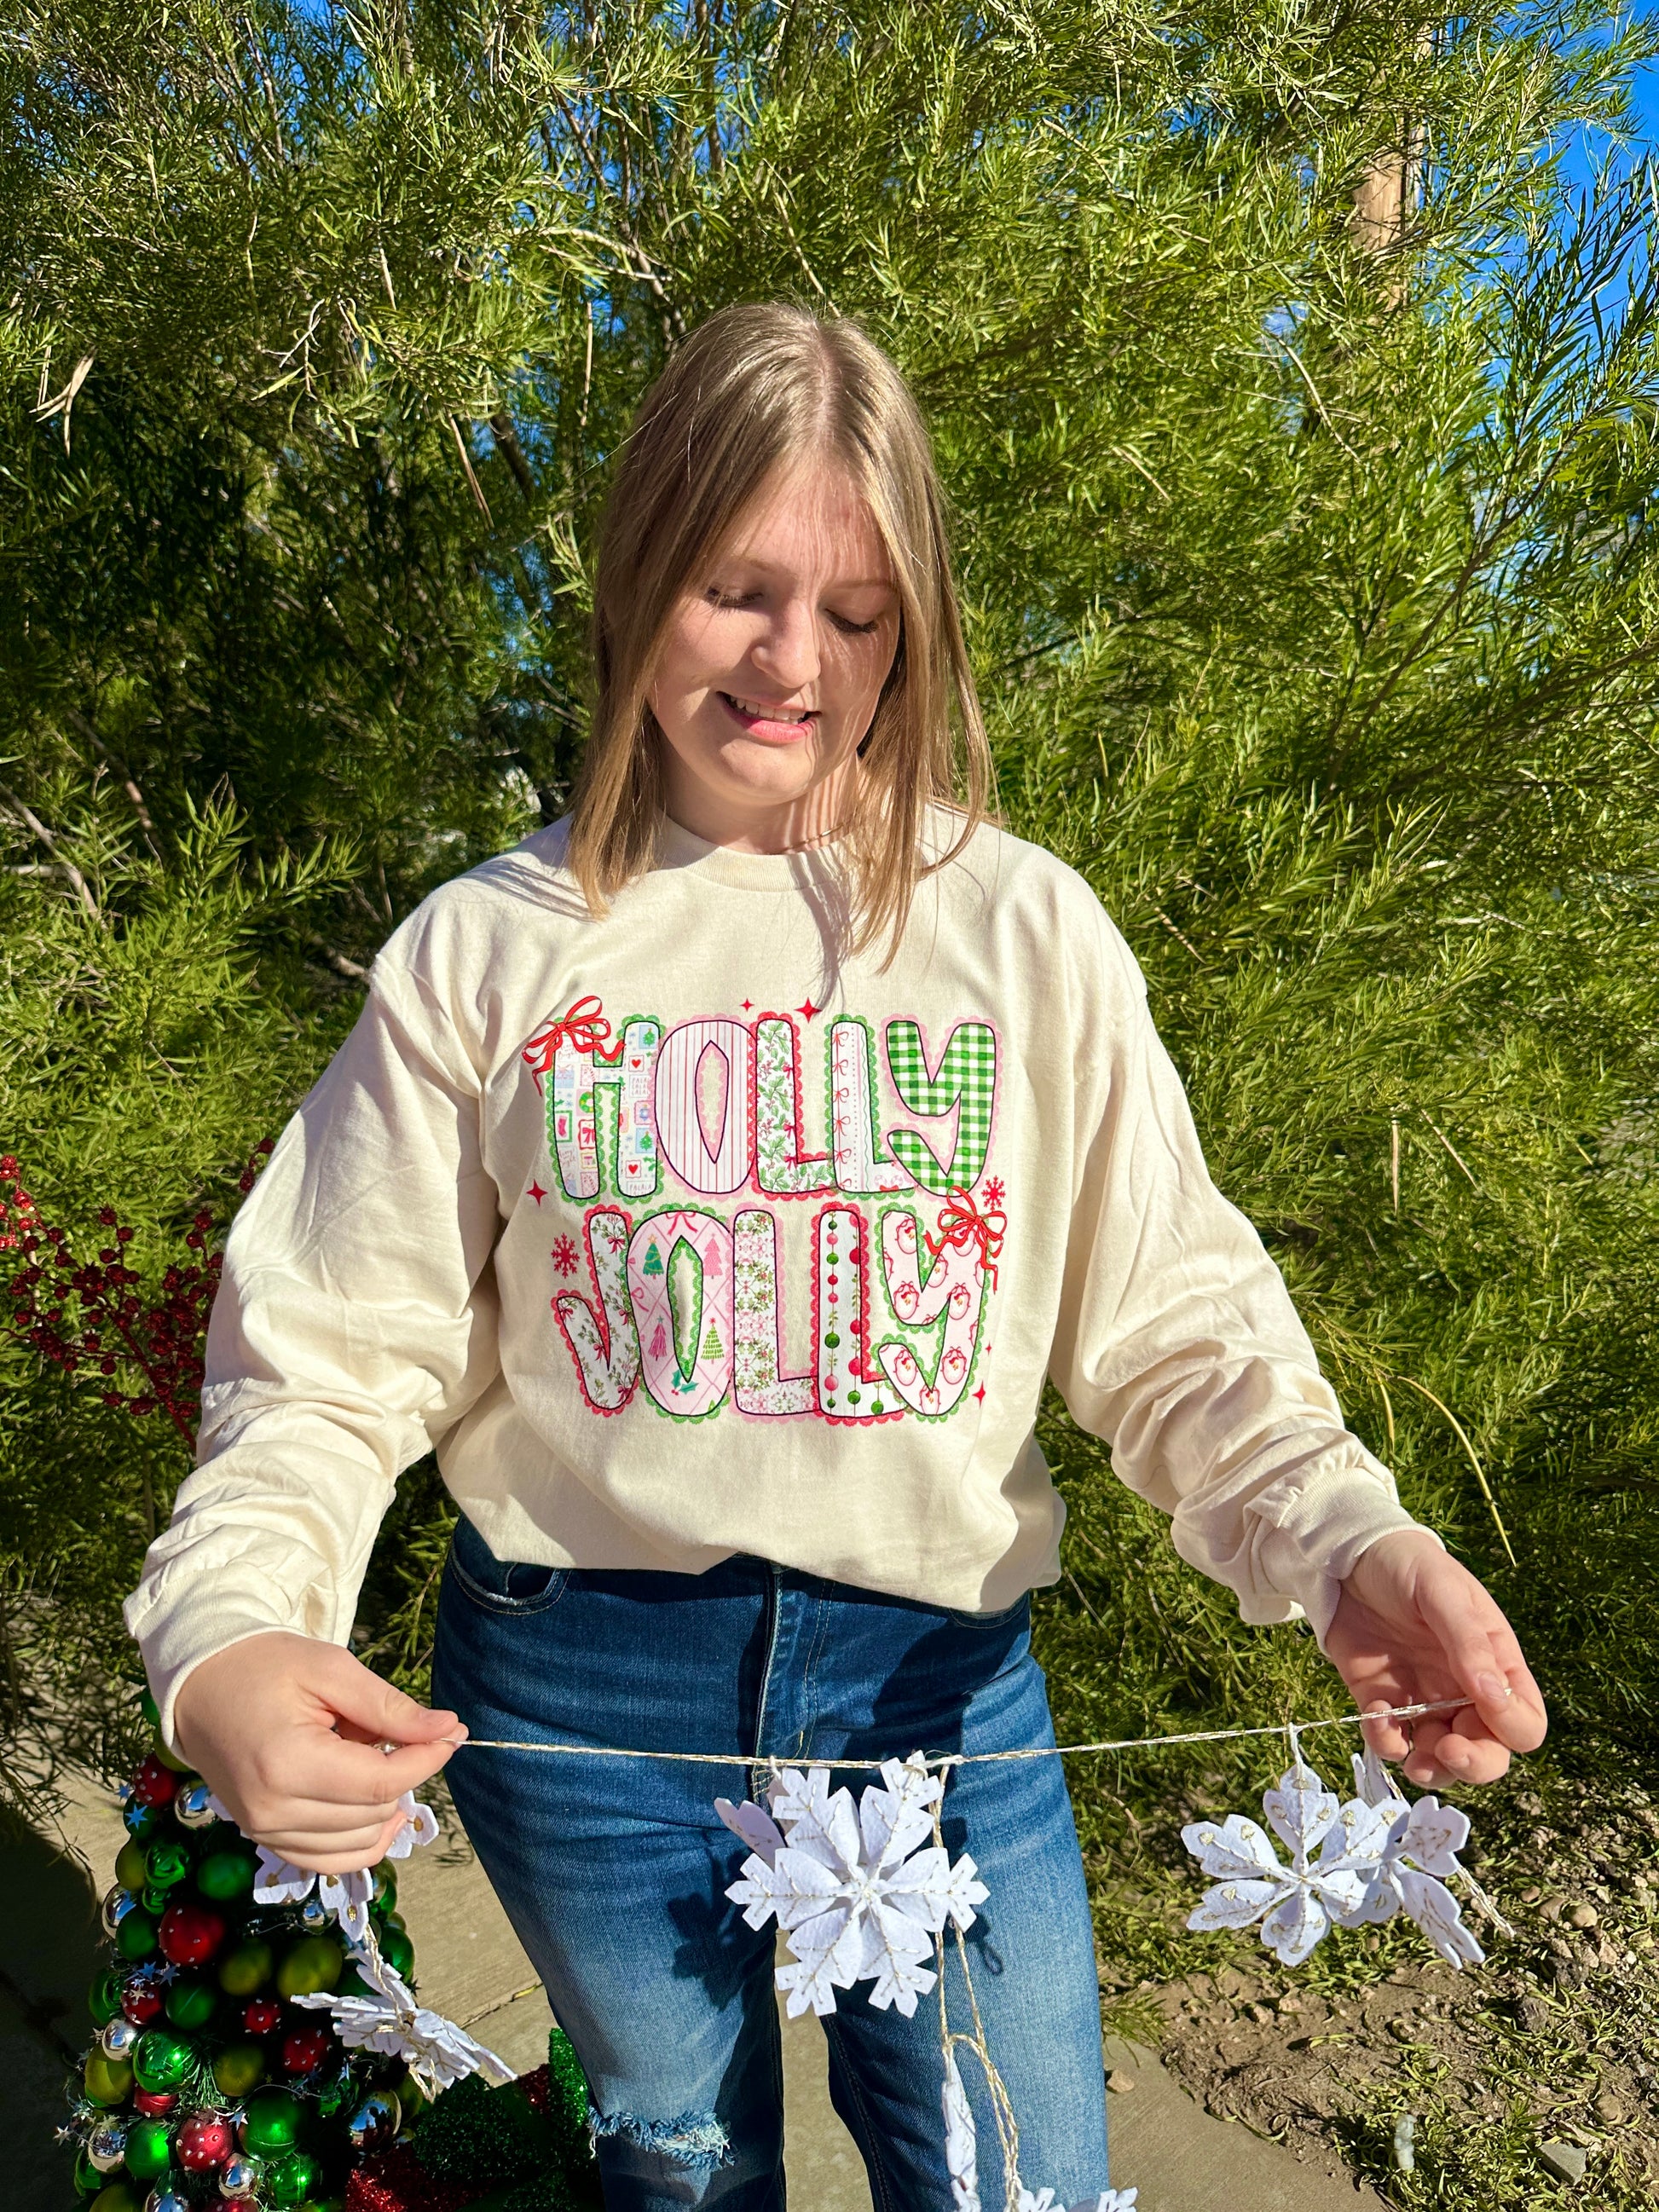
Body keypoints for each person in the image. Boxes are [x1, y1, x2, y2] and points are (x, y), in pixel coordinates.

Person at [126, 302, 1546, 2211]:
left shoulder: (1027, 934)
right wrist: (229, 1625)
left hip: (936, 1689)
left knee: (1017, 2175)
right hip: (579, 1693)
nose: (794, 662)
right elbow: (319, 1351)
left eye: (858, 612)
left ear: (915, 629)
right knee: (680, 2160)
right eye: (735, 588)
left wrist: (1353, 1544)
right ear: (640, 575)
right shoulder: (487, 949)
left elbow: (1176, 1325)